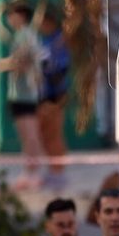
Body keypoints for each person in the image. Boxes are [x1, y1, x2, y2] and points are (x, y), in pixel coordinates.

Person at [0, 0, 45, 191]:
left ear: (21, 16)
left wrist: (4, 64)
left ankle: (33, 173)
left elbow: (22, 61)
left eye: (13, 14)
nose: (10, 18)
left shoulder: (25, 35)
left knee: (30, 135)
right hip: (20, 93)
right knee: (26, 135)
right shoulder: (22, 35)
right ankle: (29, 172)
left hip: (25, 93)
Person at [36, 10, 71, 189]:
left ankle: (59, 172)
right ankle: (52, 170)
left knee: (54, 135)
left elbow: (61, 68)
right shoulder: (44, 39)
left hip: (55, 94)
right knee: (44, 134)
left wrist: (56, 95)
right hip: (43, 94)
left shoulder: (59, 40)